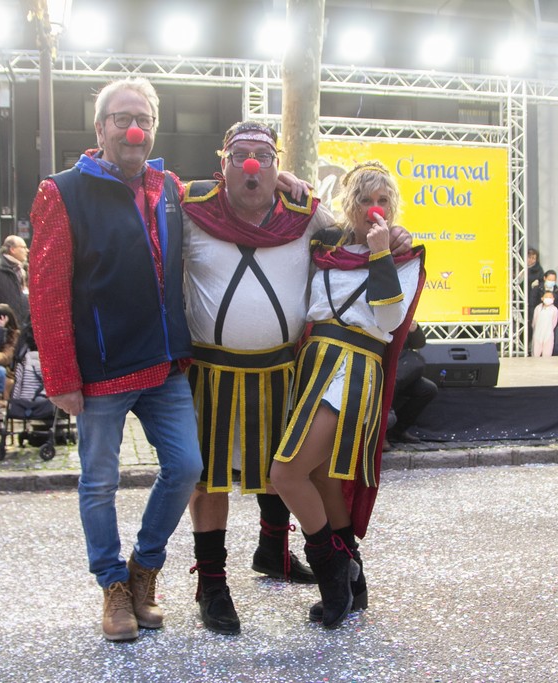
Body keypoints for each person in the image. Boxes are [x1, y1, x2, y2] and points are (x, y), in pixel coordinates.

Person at [29, 77, 204, 642]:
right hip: (102, 368)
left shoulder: (169, 186)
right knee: (99, 482)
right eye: (123, 118)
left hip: (164, 362)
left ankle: (143, 568)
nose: (134, 129)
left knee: (186, 468)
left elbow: (225, 201)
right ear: (100, 127)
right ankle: (112, 586)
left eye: (144, 119)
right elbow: (47, 291)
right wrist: (61, 376)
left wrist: (291, 180)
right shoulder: (61, 191)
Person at [180, 120, 337, 635]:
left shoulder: (304, 215)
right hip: (210, 373)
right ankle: (212, 583)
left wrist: (306, 192)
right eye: (240, 155)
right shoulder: (191, 211)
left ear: (277, 165)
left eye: (263, 157)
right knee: (210, 479)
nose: (251, 165)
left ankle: (273, 550)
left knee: (281, 465)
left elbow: (349, 240)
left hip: (283, 371)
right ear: (222, 163)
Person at [270, 161, 425, 630]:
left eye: (382, 201)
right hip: (313, 363)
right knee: (319, 476)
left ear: (392, 207)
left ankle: (333, 572)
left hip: (354, 368)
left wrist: (381, 254)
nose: (373, 209)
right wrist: (283, 178)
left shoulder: (405, 256)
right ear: (350, 204)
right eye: (364, 200)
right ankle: (354, 578)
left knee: (286, 473)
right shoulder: (330, 243)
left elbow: (391, 320)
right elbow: (309, 206)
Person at [387, 320, 437, 441]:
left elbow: (418, 344)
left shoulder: (403, 316)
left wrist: (414, 329)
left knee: (428, 389)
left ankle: (397, 430)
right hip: (383, 366)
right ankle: (382, 432)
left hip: (401, 366)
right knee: (391, 383)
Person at [531, 289, 558, 357]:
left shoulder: (554, 309)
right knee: (535, 352)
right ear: (542, 298)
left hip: (548, 334)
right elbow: (534, 321)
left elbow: (554, 322)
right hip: (538, 333)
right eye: (546, 297)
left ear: (553, 299)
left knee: (547, 353)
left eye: (550, 297)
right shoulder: (538, 308)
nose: (548, 298)